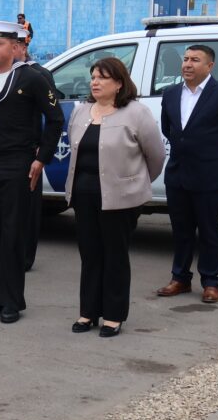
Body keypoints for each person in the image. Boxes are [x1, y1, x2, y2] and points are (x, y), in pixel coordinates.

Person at [0, 21, 63, 324]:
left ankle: (11, 300)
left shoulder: (31, 78)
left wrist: (41, 159)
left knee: (11, 234)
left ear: (14, 47)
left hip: (17, 163)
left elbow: (55, 119)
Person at [66, 58, 166, 338]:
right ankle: (88, 312)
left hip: (120, 199)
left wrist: (135, 184)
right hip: (85, 196)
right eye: (93, 77)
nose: (95, 82)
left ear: (119, 83)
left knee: (115, 256)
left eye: (103, 77)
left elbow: (155, 156)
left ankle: (113, 315)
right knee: (90, 254)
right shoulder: (82, 111)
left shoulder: (136, 113)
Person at [156, 45, 218, 303]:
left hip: (210, 175)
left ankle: (210, 282)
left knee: (209, 231)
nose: (187, 64)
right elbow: (169, 128)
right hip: (178, 174)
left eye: (195, 60)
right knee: (181, 230)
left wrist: (215, 152)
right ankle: (180, 278)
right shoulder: (171, 93)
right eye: (185, 59)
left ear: (209, 66)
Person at [15, 28, 66, 271]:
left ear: (23, 48)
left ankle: (24, 257)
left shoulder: (38, 74)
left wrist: (42, 149)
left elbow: (52, 115)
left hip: (29, 149)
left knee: (27, 208)